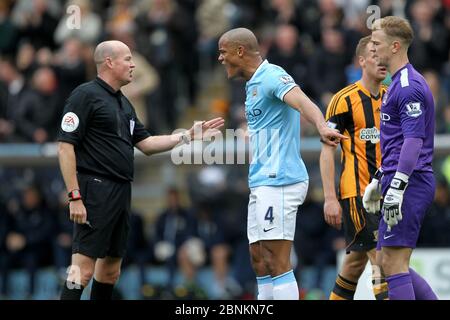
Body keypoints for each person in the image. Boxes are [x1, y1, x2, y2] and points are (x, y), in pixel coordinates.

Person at [57, 40, 224, 300]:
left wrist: (187, 136)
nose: (133, 64)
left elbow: (145, 143)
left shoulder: (124, 104)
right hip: (95, 190)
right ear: (109, 62)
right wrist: (74, 195)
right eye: (127, 59)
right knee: (83, 269)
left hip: (121, 191)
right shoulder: (85, 95)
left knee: (111, 270)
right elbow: (65, 147)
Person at [217, 28, 345, 300]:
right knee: (259, 259)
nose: (220, 58)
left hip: (281, 180)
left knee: (277, 259)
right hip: (262, 181)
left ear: (240, 51)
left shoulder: (272, 75)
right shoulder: (252, 84)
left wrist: (322, 125)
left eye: (223, 52)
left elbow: (301, 100)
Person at [363, 16, 437, 300]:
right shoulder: (397, 83)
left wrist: (397, 187)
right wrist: (379, 178)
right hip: (398, 178)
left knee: (393, 263)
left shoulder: (408, 86)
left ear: (395, 46)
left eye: (376, 42)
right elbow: (395, 144)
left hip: (410, 181)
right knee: (384, 260)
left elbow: (413, 141)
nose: (372, 48)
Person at [320, 35, 389, 300]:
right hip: (358, 193)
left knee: (354, 264)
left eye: (384, 55)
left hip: (387, 193)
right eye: (374, 55)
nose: (381, 60)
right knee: (382, 258)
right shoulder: (343, 100)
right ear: (361, 60)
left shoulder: (391, 97)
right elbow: (327, 151)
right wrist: (329, 198)